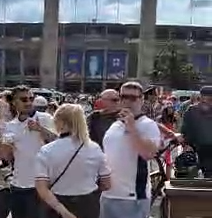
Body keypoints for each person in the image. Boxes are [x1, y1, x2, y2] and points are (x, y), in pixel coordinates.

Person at [36, 104, 111, 218]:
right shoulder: (94, 148)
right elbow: (107, 183)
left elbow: (42, 188)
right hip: (88, 205)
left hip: (56, 205)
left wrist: (63, 211)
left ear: (60, 123)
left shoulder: (47, 150)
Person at [100, 81, 161, 218]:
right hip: (108, 194)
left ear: (141, 100)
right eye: (123, 97)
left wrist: (132, 128)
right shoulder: (114, 125)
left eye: (133, 98)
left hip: (132, 197)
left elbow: (148, 153)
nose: (128, 101)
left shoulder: (148, 125)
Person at [0, 86, 56, 218]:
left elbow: (60, 141)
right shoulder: (10, 126)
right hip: (17, 184)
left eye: (31, 98)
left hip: (40, 185)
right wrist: (6, 146)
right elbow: (7, 157)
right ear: (14, 102)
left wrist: (40, 129)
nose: (29, 102)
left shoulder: (44, 118)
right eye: (24, 99)